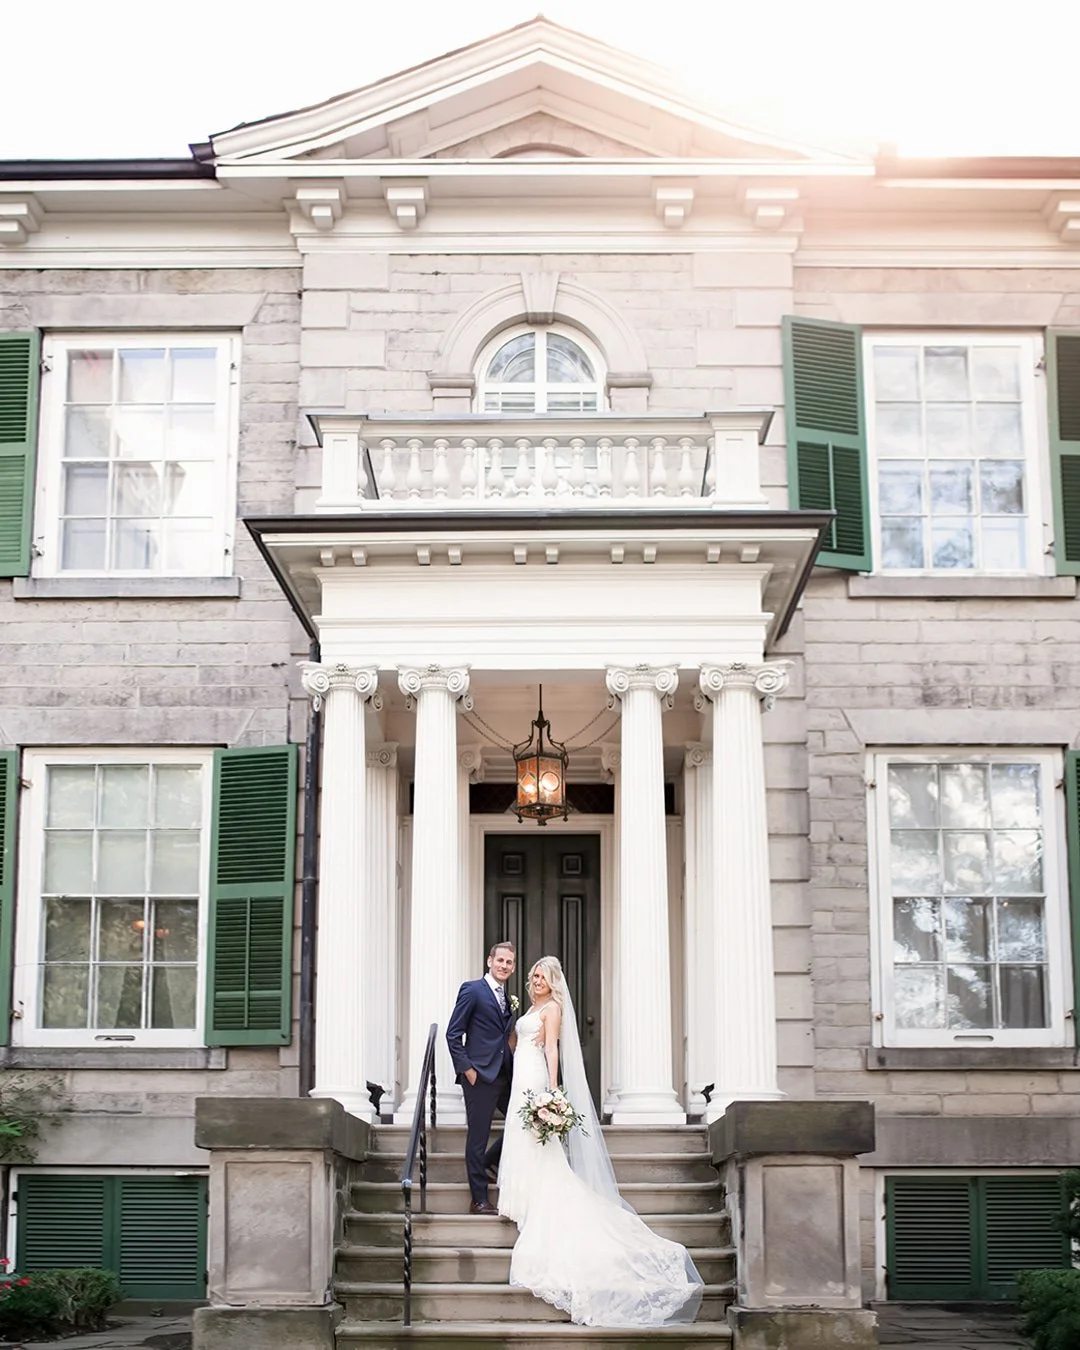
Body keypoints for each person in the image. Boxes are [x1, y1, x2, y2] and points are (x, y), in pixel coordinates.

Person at [497, 955, 704, 1327]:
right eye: (534, 977)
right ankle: (517, 1195)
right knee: (520, 1134)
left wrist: (553, 1089)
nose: (536, 981)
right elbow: (519, 1041)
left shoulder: (553, 1009)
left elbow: (551, 1049)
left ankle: (531, 1198)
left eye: (542, 977)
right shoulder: (530, 1009)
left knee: (537, 1142)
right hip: (520, 1078)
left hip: (536, 1078)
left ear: (553, 981)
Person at [445, 940, 517, 1215]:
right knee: (478, 1136)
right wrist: (467, 1069)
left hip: (504, 1075)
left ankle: (488, 1161)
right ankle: (478, 1199)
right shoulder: (472, 990)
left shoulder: (506, 998)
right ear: (489, 961)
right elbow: (453, 1033)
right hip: (479, 1076)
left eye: (509, 962)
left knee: (523, 1123)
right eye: (500, 960)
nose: (504, 966)